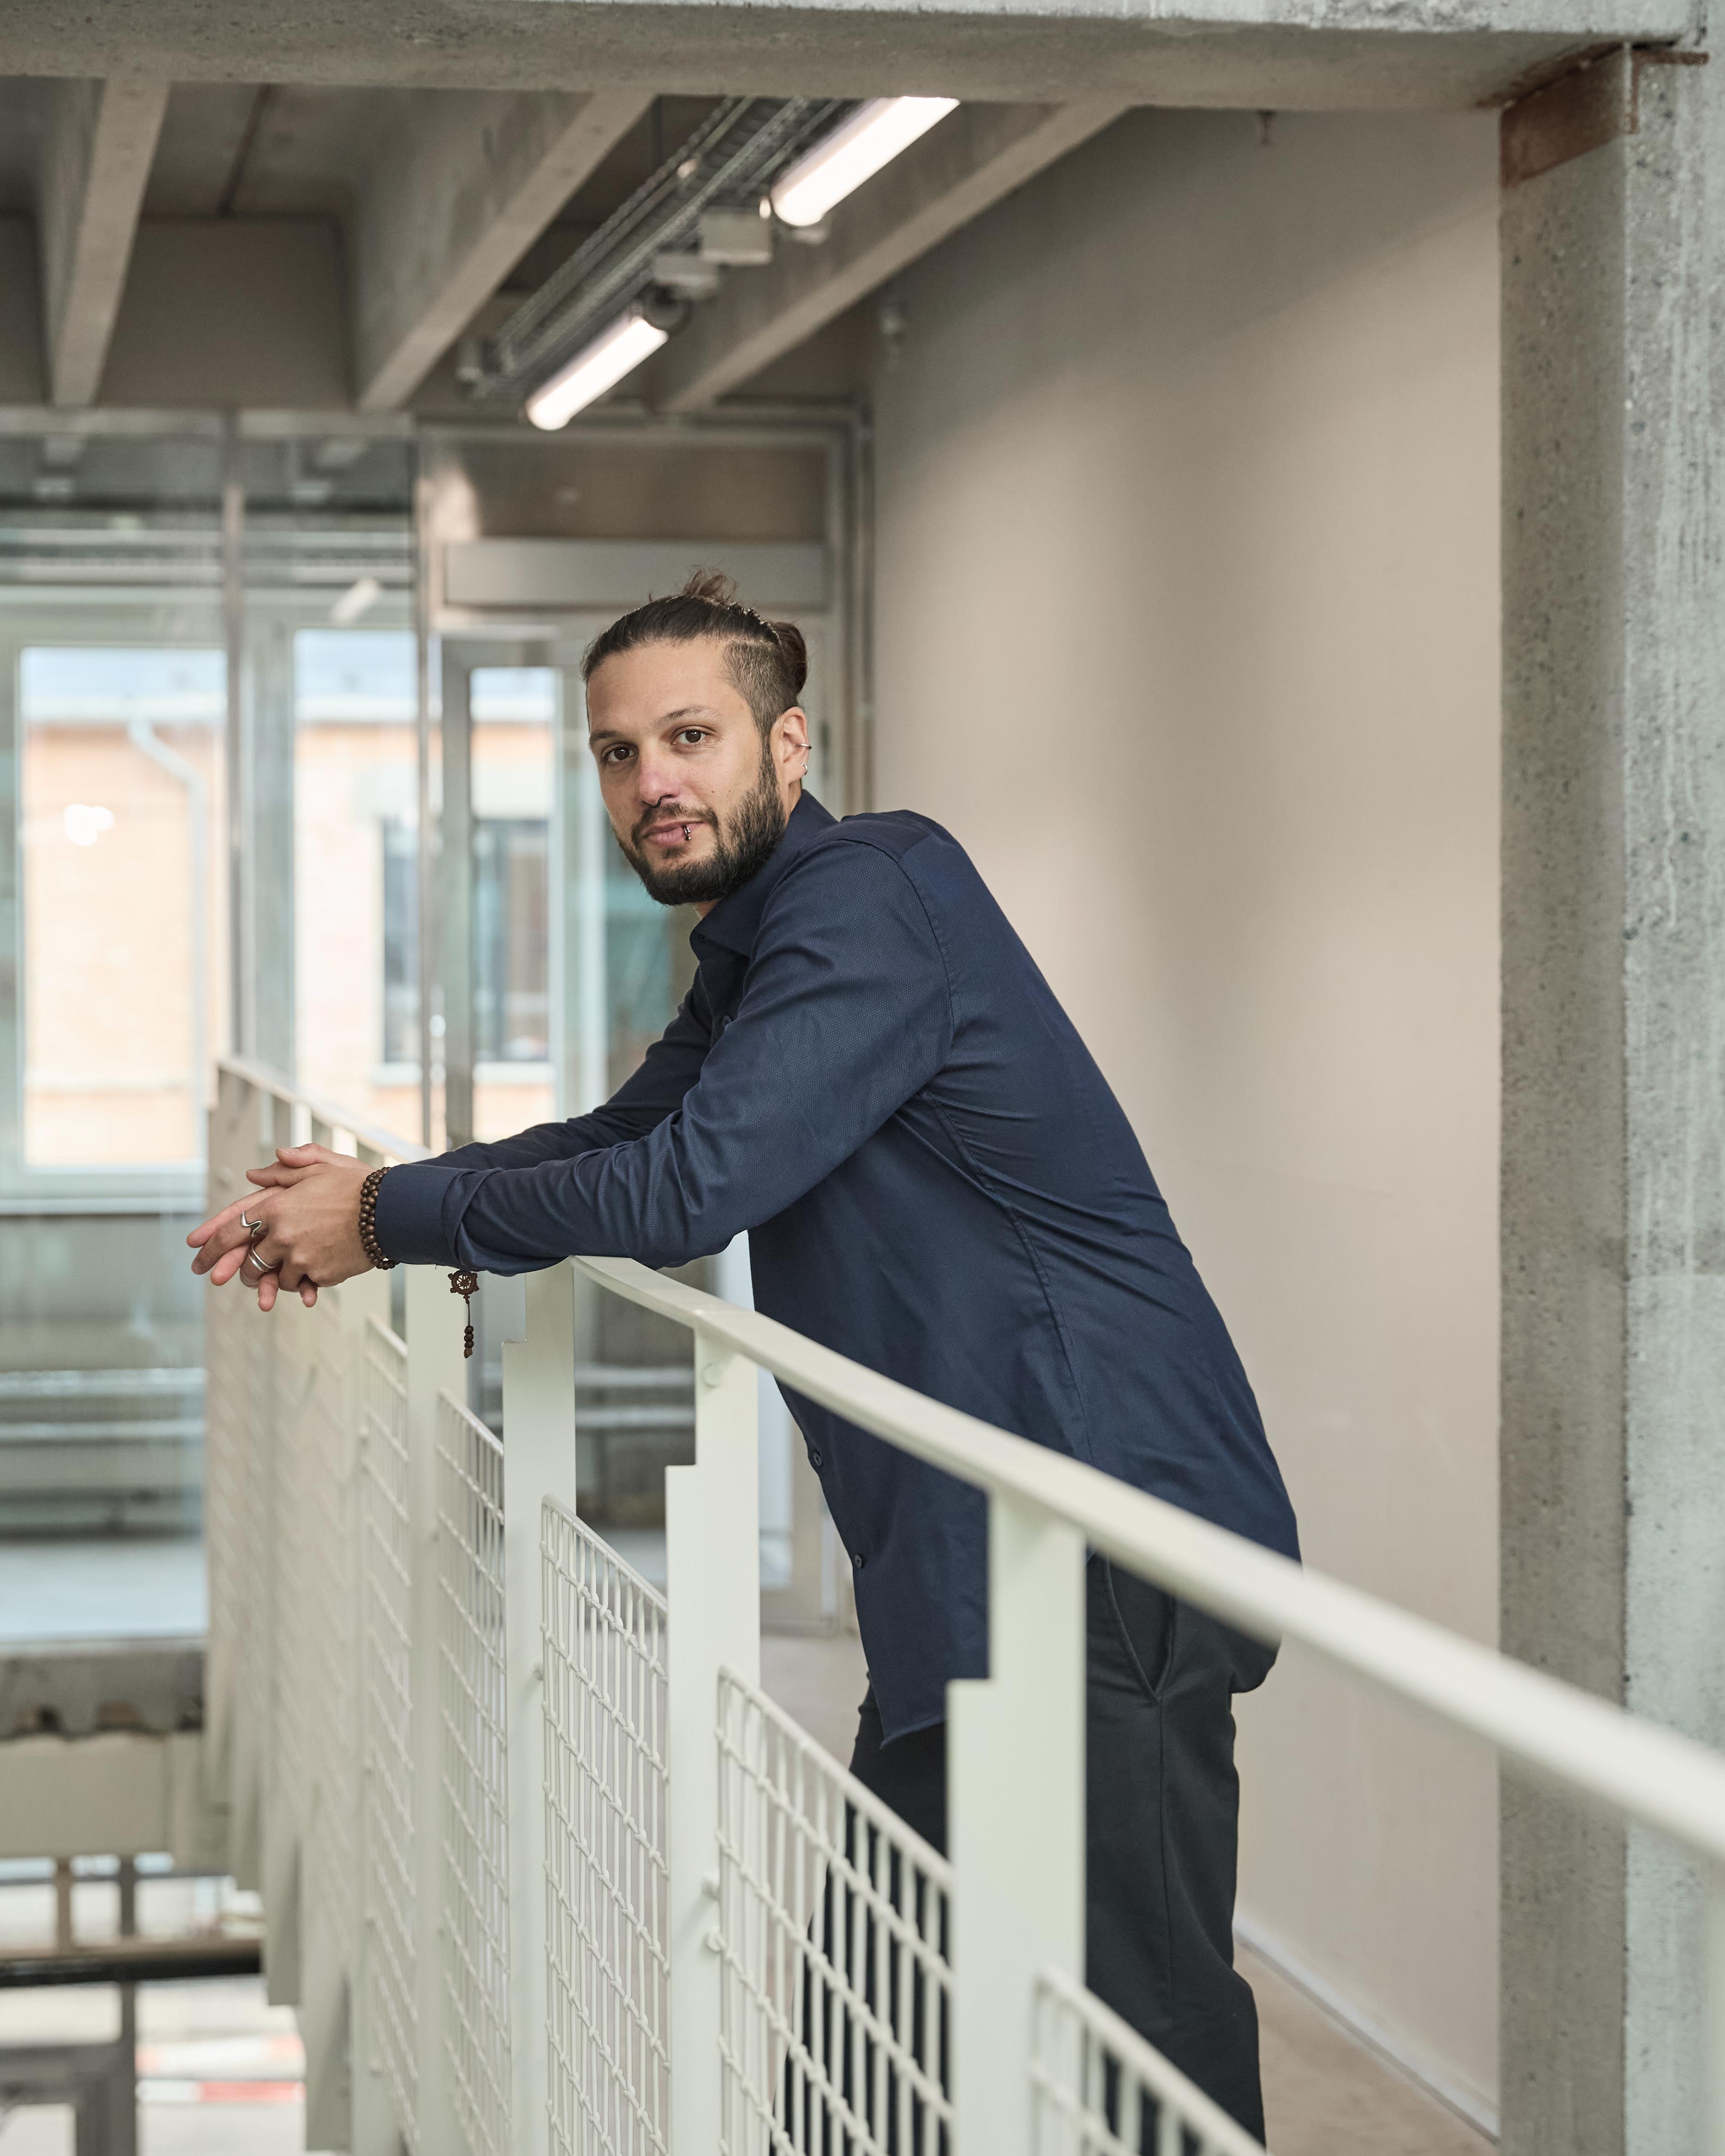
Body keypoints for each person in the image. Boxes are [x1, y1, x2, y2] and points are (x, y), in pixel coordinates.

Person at [189, 569, 1298, 2136]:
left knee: (1142, 2055)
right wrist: (390, 1194)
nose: (652, 781)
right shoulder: (762, 946)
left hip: (1102, 1537)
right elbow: (627, 1134)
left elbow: (686, 1189)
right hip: (967, 1572)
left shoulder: (873, 894)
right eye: (618, 752)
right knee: (871, 2066)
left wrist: (384, 1215)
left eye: (690, 736)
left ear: (788, 745)